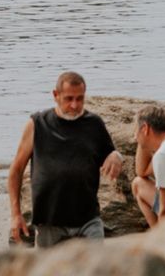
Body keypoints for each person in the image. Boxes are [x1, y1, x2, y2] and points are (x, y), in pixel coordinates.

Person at [7, 71, 123, 248]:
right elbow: (16, 170)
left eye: (80, 98)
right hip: (49, 221)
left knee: (97, 264)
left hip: (88, 220)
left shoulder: (94, 124)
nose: (75, 105)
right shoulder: (37, 124)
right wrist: (16, 214)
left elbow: (110, 153)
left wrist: (116, 155)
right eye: (69, 99)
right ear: (56, 95)